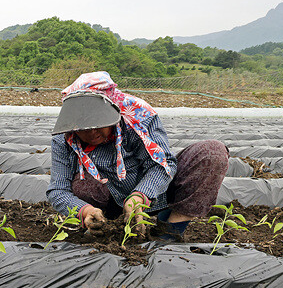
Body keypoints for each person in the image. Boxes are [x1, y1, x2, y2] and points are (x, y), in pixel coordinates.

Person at [47, 71, 229, 241]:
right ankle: (105, 228)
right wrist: (85, 211)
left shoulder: (137, 119)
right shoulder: (64, 139)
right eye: (84, 128)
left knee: (212, 152)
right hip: (108, 203)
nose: (92, 132)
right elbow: (58, 190)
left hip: (158, 193)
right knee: (83, 185)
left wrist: (140, 196)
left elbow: (162, 164)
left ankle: (170, 228)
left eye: (99, 124)